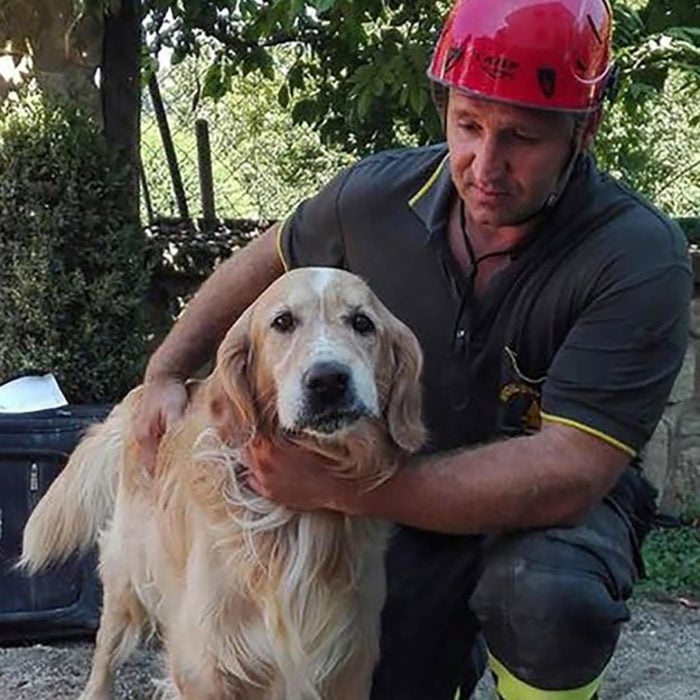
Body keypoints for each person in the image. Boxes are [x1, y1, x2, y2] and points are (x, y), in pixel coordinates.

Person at [135, 0, 692, 698]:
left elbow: (570, 470)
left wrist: (342, 488)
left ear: (585, 130)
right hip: (403, 485)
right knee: (372, 669)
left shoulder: (636, 254)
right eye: (468, 126)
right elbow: (265, 262)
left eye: (521, 137)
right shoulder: (375, 196)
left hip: (547, 512)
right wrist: (165, 369)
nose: (485, 164)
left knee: (548, 598)